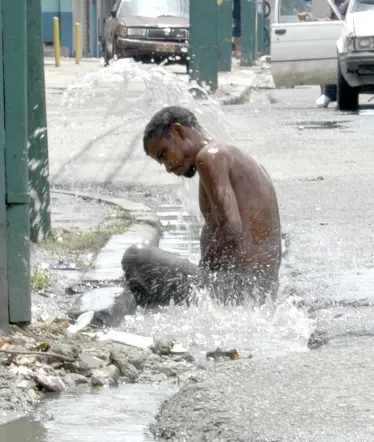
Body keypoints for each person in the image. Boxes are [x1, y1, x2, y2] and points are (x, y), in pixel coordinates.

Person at [121, 106, 281, 308]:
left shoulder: (210, 156)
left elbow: (230, 227)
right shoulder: (238, 158)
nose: (169, 168)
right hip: (261, 292)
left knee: (136, 256)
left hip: (237, 291)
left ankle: (155, 319)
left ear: (179, 131)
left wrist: (203, 270)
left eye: (164, 154)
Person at [315, 0, 350, 108]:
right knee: (327, 61)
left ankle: (328, 92)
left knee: (337, 66)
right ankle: (326, 92)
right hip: (339, 34)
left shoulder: (347, 3)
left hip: (346, 36)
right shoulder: (333, 4)